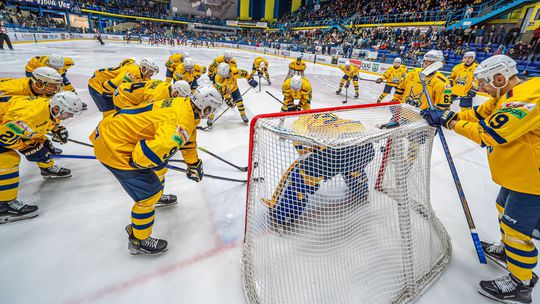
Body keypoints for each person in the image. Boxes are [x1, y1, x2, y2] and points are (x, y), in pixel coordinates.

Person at [420, 55, 539, 304]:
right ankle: (509, 253)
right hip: (519, 175)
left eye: (484, 83)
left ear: (500, 78)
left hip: (533, 181)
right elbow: (478, 114)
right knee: (503, 210)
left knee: (516, 229)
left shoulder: (528, 97)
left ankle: (522, 284)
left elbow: (489, 133)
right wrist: (445, 113)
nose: (480, 89)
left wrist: (449, 122)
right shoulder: (503, 95)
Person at [91, 86, 223, 255]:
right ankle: (139, 240)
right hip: (113, 145)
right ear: (206, 106)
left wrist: (193, 163)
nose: (211, 114)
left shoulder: (184, 105)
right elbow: (147, 155)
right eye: (212, 110)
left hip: (112, 129)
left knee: (160, 164)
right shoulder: (181, 123)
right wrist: (143, 165)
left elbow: (187, 137)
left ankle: (157, 198)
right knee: (149, 194)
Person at [264, 112, 375, 230]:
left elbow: (300, 139)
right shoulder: (332, 116)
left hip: (333, 154)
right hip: (365, 148)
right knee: (352, 165)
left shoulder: (302, 119)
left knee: (298, 174)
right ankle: (361, 192)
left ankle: (280, 215)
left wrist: (310, 157)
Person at [0, 92, 83, 224]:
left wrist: (55, 128)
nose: (69, 116)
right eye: (68, 113)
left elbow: (35, 127)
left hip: (8, 123)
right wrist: (25, 147)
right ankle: (4, 205)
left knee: (40, 144)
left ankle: (47, 168)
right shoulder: (31, 116)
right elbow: (3, 137)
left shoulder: (48, 106)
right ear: (57, 108)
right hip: (3, 130)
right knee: (8, 159)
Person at [88, 58, 158, 117]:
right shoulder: (130, 74)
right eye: (150, 71)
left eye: (153, 72)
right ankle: (106, 130)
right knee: (111, 114)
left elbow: (127, 61)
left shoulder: (143, 74)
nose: (151, 74)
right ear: (143, 68)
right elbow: (108, 87)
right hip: (97, 84)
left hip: (103, 82)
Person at [113, 79, 191, 110]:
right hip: (122, 97)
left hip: (123, 89)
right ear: (175, 92)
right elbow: (141, 111)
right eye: (180, 96)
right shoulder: (158, 97)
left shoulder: (166, 85)